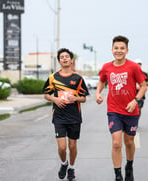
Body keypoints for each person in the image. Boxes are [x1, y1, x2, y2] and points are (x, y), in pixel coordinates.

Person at [95, 35, 147, 181]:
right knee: (116, 142)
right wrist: (98, 93)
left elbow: (143, 86)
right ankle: (118, 175)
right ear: (112, 50)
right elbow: (101, 82)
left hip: (131, 111)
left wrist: (135, 100)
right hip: (113, 110)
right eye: (116, 48)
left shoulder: (133, 67)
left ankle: (129, 166)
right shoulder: (106, 67)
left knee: (129, 142)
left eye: (122, 48)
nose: (119, 51)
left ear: (127, 50)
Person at [43, 48, 89, 180]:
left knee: (72, 145)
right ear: (59, 61)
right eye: (61, 57)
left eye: (66, 56)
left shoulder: (78, 78)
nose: (64, 58)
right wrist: (55, 99)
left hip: (74, 117)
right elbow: (46, 94)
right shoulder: (53, 77)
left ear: (71, 60)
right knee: (62, 147)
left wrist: (76, 98)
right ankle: (64, 163)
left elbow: (84, 98)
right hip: (59, 117)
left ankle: (72, 168)